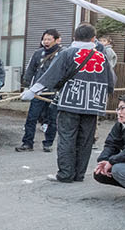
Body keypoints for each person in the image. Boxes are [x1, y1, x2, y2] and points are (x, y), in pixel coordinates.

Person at [25, 24, 114, 183]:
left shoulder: (67, 53)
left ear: (74, 37)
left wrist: (33, 91)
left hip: (70, 102)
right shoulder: (101, 56)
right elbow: (111, 82)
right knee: (86, 140)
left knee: (67, 138)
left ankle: (65, 174)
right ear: (93, 39)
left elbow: (51, 75)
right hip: (93, 104)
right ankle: (79, 174)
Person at [14, 29, 61, 151]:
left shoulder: (62, 54)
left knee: (52, 119)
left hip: (54, 91)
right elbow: (30, 70)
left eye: (49, 39)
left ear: (56, 40)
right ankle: (27, 143)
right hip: (37, 91)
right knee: (32, 117)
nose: (46, 42)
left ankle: (48, 143)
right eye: (44, 39)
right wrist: (27, 86)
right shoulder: (38, 53)